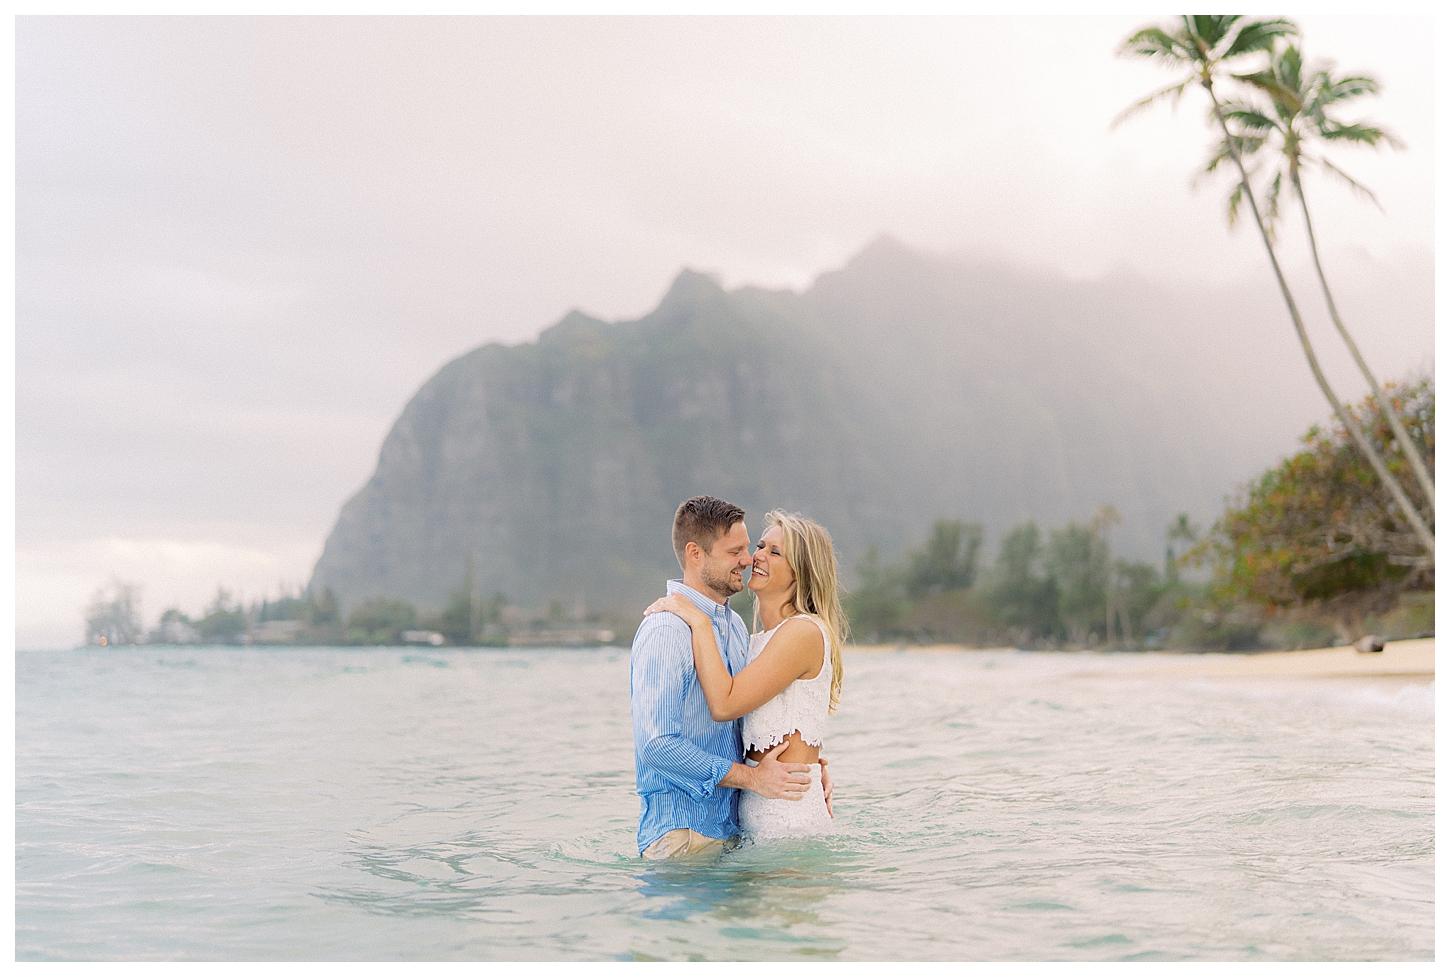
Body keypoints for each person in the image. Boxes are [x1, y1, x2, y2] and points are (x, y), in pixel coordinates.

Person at [630, 496, 834, 859]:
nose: (749, 559)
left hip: (742, 830)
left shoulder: (736, 630)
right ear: (696, 554)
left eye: (770, 551)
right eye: (745, 549)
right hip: (684, 833)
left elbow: (741, 712)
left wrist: (809, 765)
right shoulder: (666, 629)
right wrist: (753, 777)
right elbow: (656, 745)